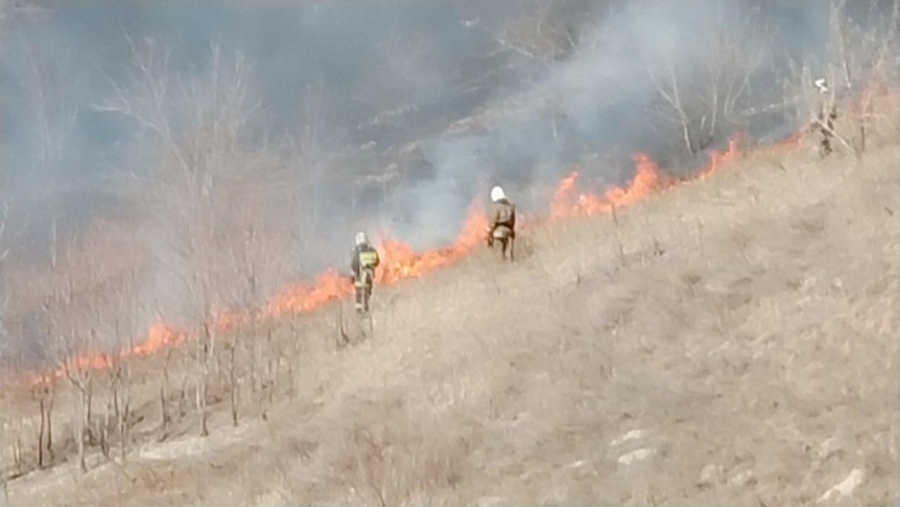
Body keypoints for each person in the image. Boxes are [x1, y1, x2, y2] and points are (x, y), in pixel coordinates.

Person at [350, 232, 380, 314]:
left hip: (359, 278)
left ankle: (359, 313)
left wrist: (353, 276)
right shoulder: (372, 250)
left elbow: (354, 265)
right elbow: (377, 262)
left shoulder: (357, 252)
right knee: (368, 294)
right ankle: (367, 309)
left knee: (359, 296)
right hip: (369, 278)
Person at [487, 186, 516, 261]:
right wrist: (512, 232)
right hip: (508, 232)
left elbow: (493, 221)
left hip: (498, 232)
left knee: (498, 254)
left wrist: (489, 235)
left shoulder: (496, 207)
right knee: (508, 253)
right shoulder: (510, 207)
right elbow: (513, 221)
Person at [814, 78, 838, 157]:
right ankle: (827, 150)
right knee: (825, 135)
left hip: (826, 123)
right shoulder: (825, 99)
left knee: (826, 134)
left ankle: (827, 150)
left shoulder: (826, 99)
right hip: (825, 123)